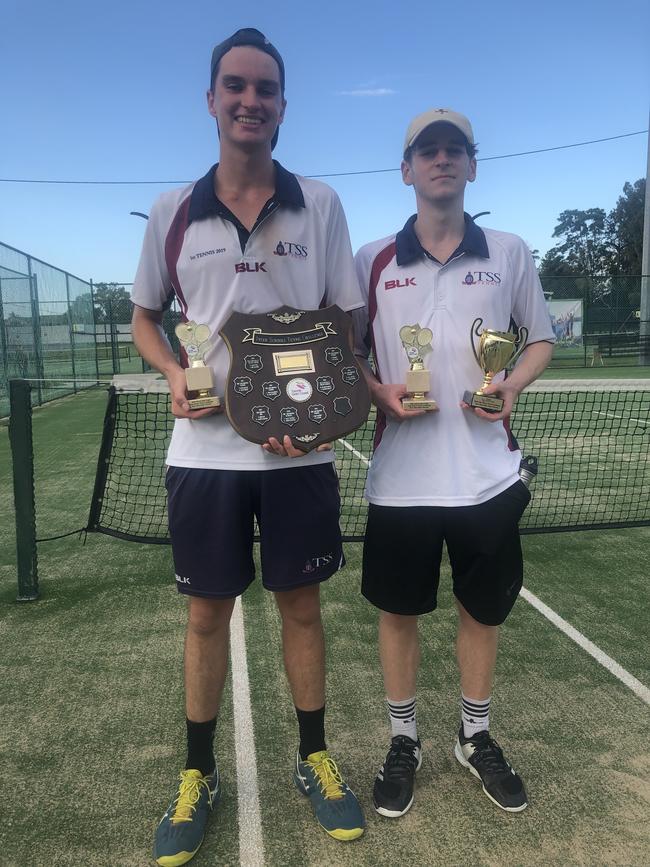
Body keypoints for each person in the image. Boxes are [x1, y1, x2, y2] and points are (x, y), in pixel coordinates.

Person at [131, 28, 365, 866]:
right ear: (211, 100)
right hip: (204, 455)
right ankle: (198, 774)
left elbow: (344, 323)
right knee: (205, 617)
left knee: (301, 606)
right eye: (234, 86)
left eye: (264, 89)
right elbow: (145, 319)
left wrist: (319, 411)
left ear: (282, 107)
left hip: (298, 453)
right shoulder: (170, 212)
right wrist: (170, 370)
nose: (249, 101)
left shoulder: (323, 204)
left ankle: (313, 755)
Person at [353, 108, 555, 819]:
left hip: (487, 477)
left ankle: (474, 733)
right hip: (401, 480)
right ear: (406, 169)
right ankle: (403, 739)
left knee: (481, 610)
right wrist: (378, 388)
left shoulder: (510, 250)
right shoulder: (370, 259)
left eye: (455, 150)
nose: (442, 160)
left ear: (473, 166)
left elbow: (537, 340)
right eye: (427, 150)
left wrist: (511, 383)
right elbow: (344, 352)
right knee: (399, 613)